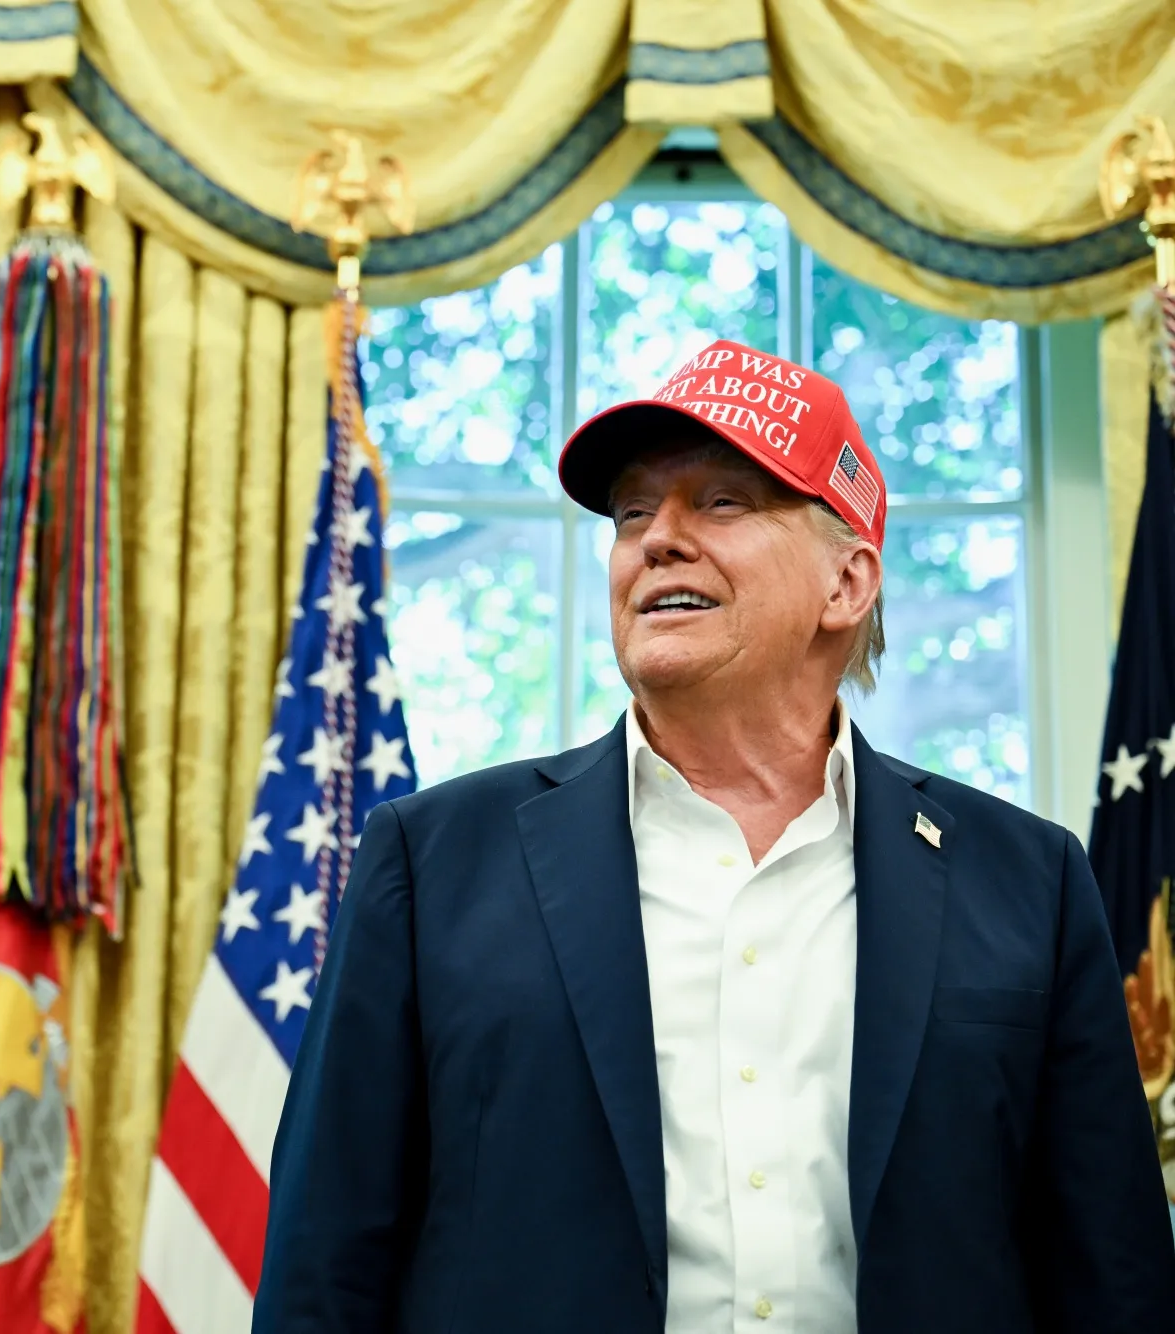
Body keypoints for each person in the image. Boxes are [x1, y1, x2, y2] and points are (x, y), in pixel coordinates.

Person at [253, 340, 1175, 1332]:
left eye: (722, 503)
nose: (657, 539)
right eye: (631, 514)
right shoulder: (430, 861)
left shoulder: (1029, 881)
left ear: (845, 582)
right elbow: (321, 1269)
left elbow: (1111, 1282)